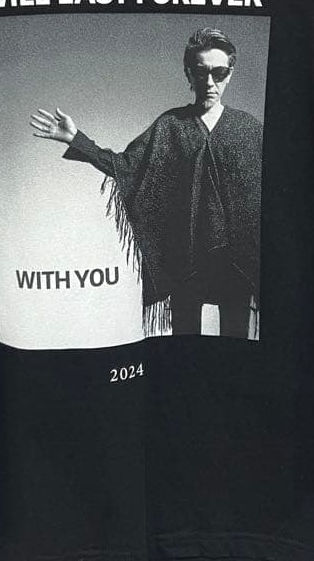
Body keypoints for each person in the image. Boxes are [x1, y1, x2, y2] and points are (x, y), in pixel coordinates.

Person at [30, 27, 262, 339]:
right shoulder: (170, 126)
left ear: (230, 73)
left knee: (238, 353)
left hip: (237, 262)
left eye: (218, 73)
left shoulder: (249, 130)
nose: (209, 82)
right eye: (200, 72)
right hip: (185, 260)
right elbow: (128, 167)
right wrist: (77, 140)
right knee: (185, 354)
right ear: (188, 73)